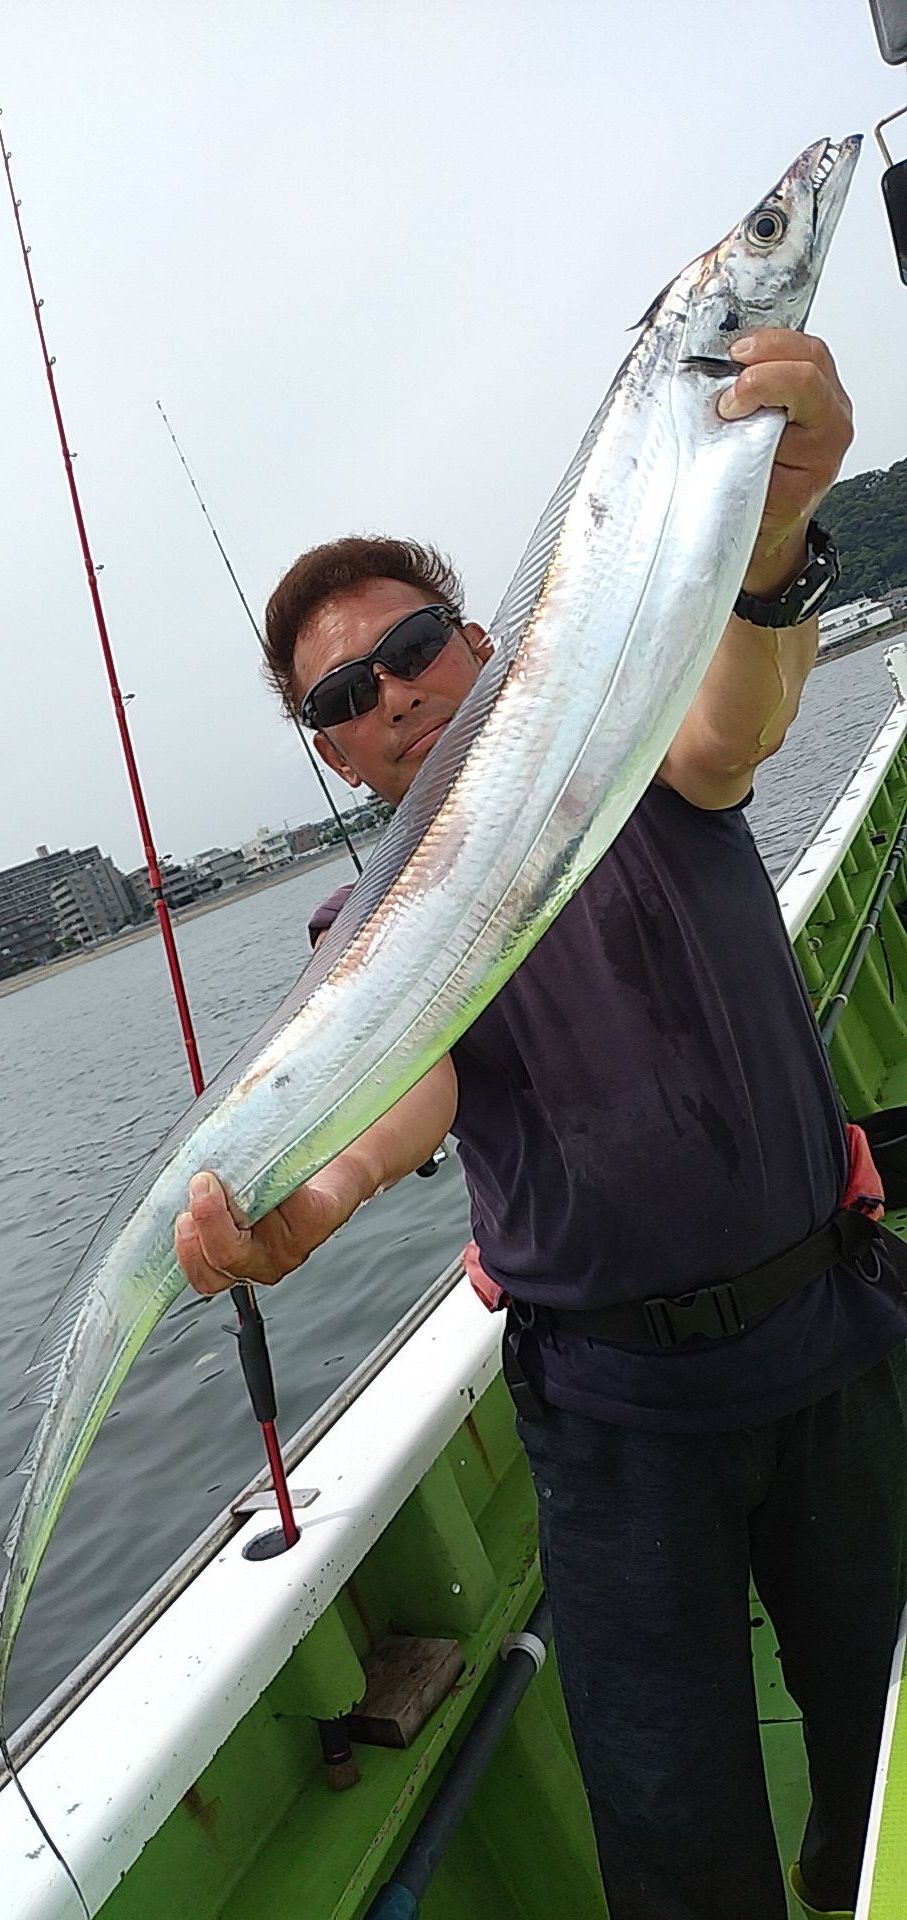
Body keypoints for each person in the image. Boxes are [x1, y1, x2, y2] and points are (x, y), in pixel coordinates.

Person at [175, 331, 907, 1920]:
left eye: (410, 645)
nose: (392, 692)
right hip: (612, 1415)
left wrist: (776, 535)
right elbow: (407, 1088)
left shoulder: (637, 752)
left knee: (893, 1738)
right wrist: (319, 1199)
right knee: (673, 1828)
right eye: (344, 695)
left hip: (832, 1340)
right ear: (332, 750)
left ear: (479, 638)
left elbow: (732, 731)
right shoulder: (362, 944)